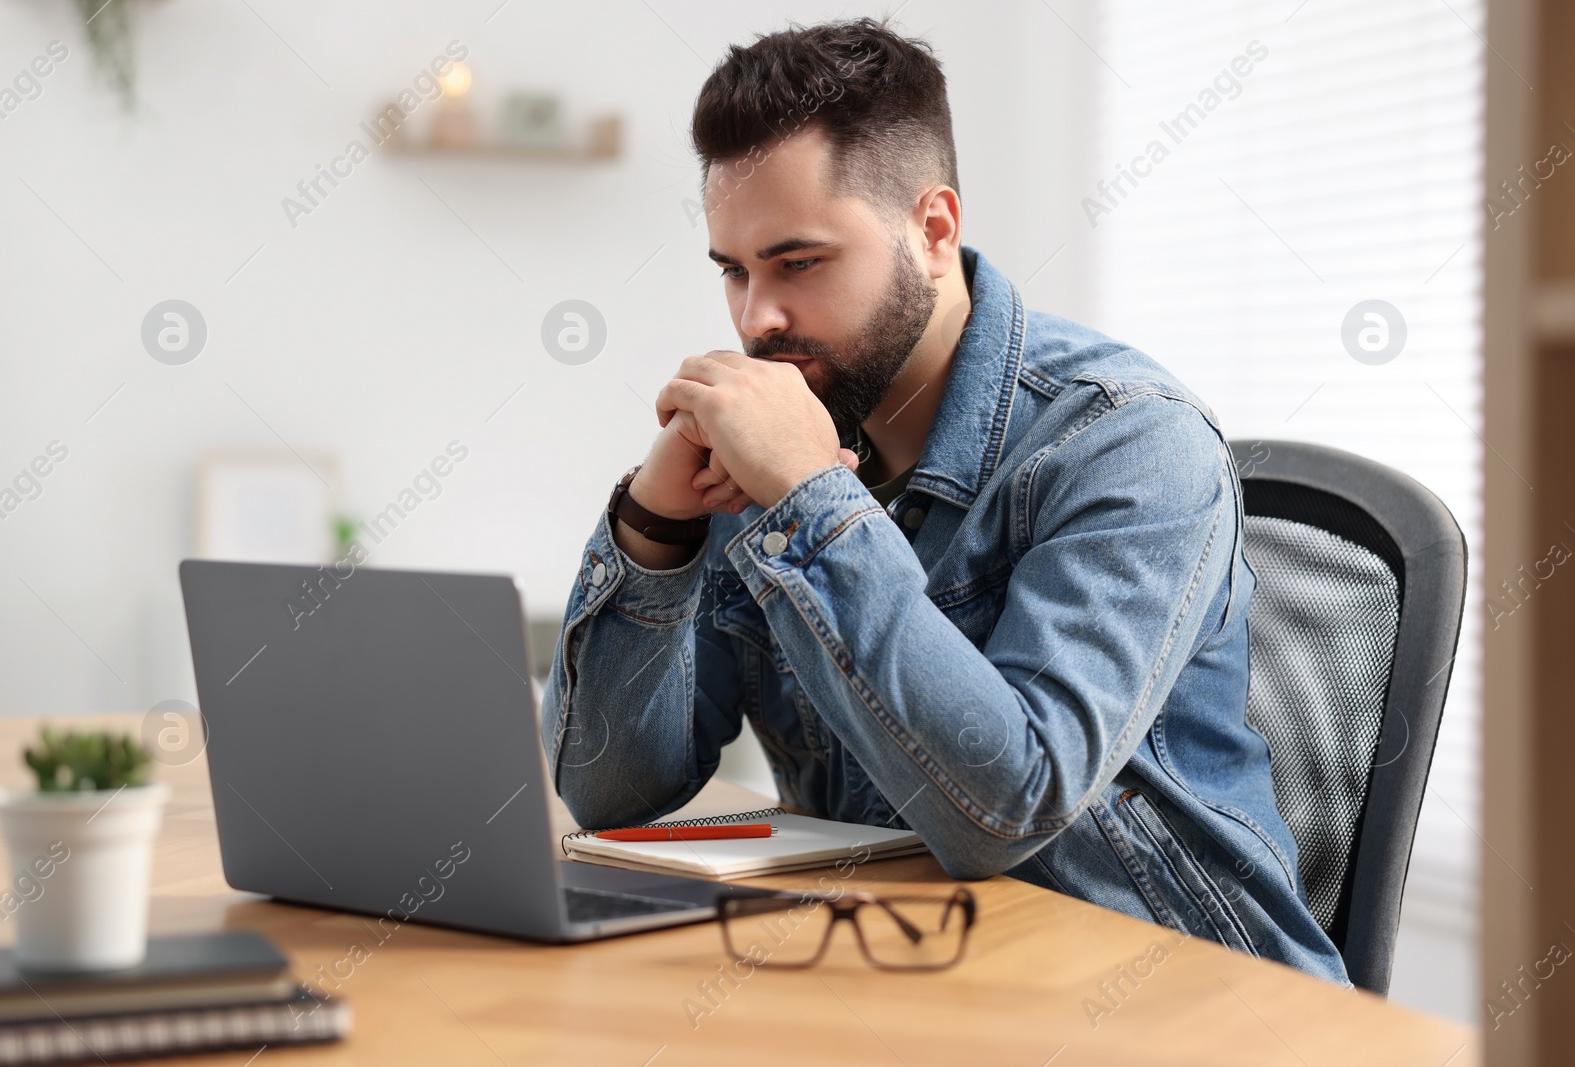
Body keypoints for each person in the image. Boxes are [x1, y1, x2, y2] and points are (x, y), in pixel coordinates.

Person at [541, 17, 1348, 985]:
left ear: (931, 230)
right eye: (734, 269)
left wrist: (811, 496)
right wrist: (654, 530)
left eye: (798, 263)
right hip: (908, 971)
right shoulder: (783, 425)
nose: (757, 317)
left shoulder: (1129, 439)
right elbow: (609, 792)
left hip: (1186, 997)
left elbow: (1005, 807)